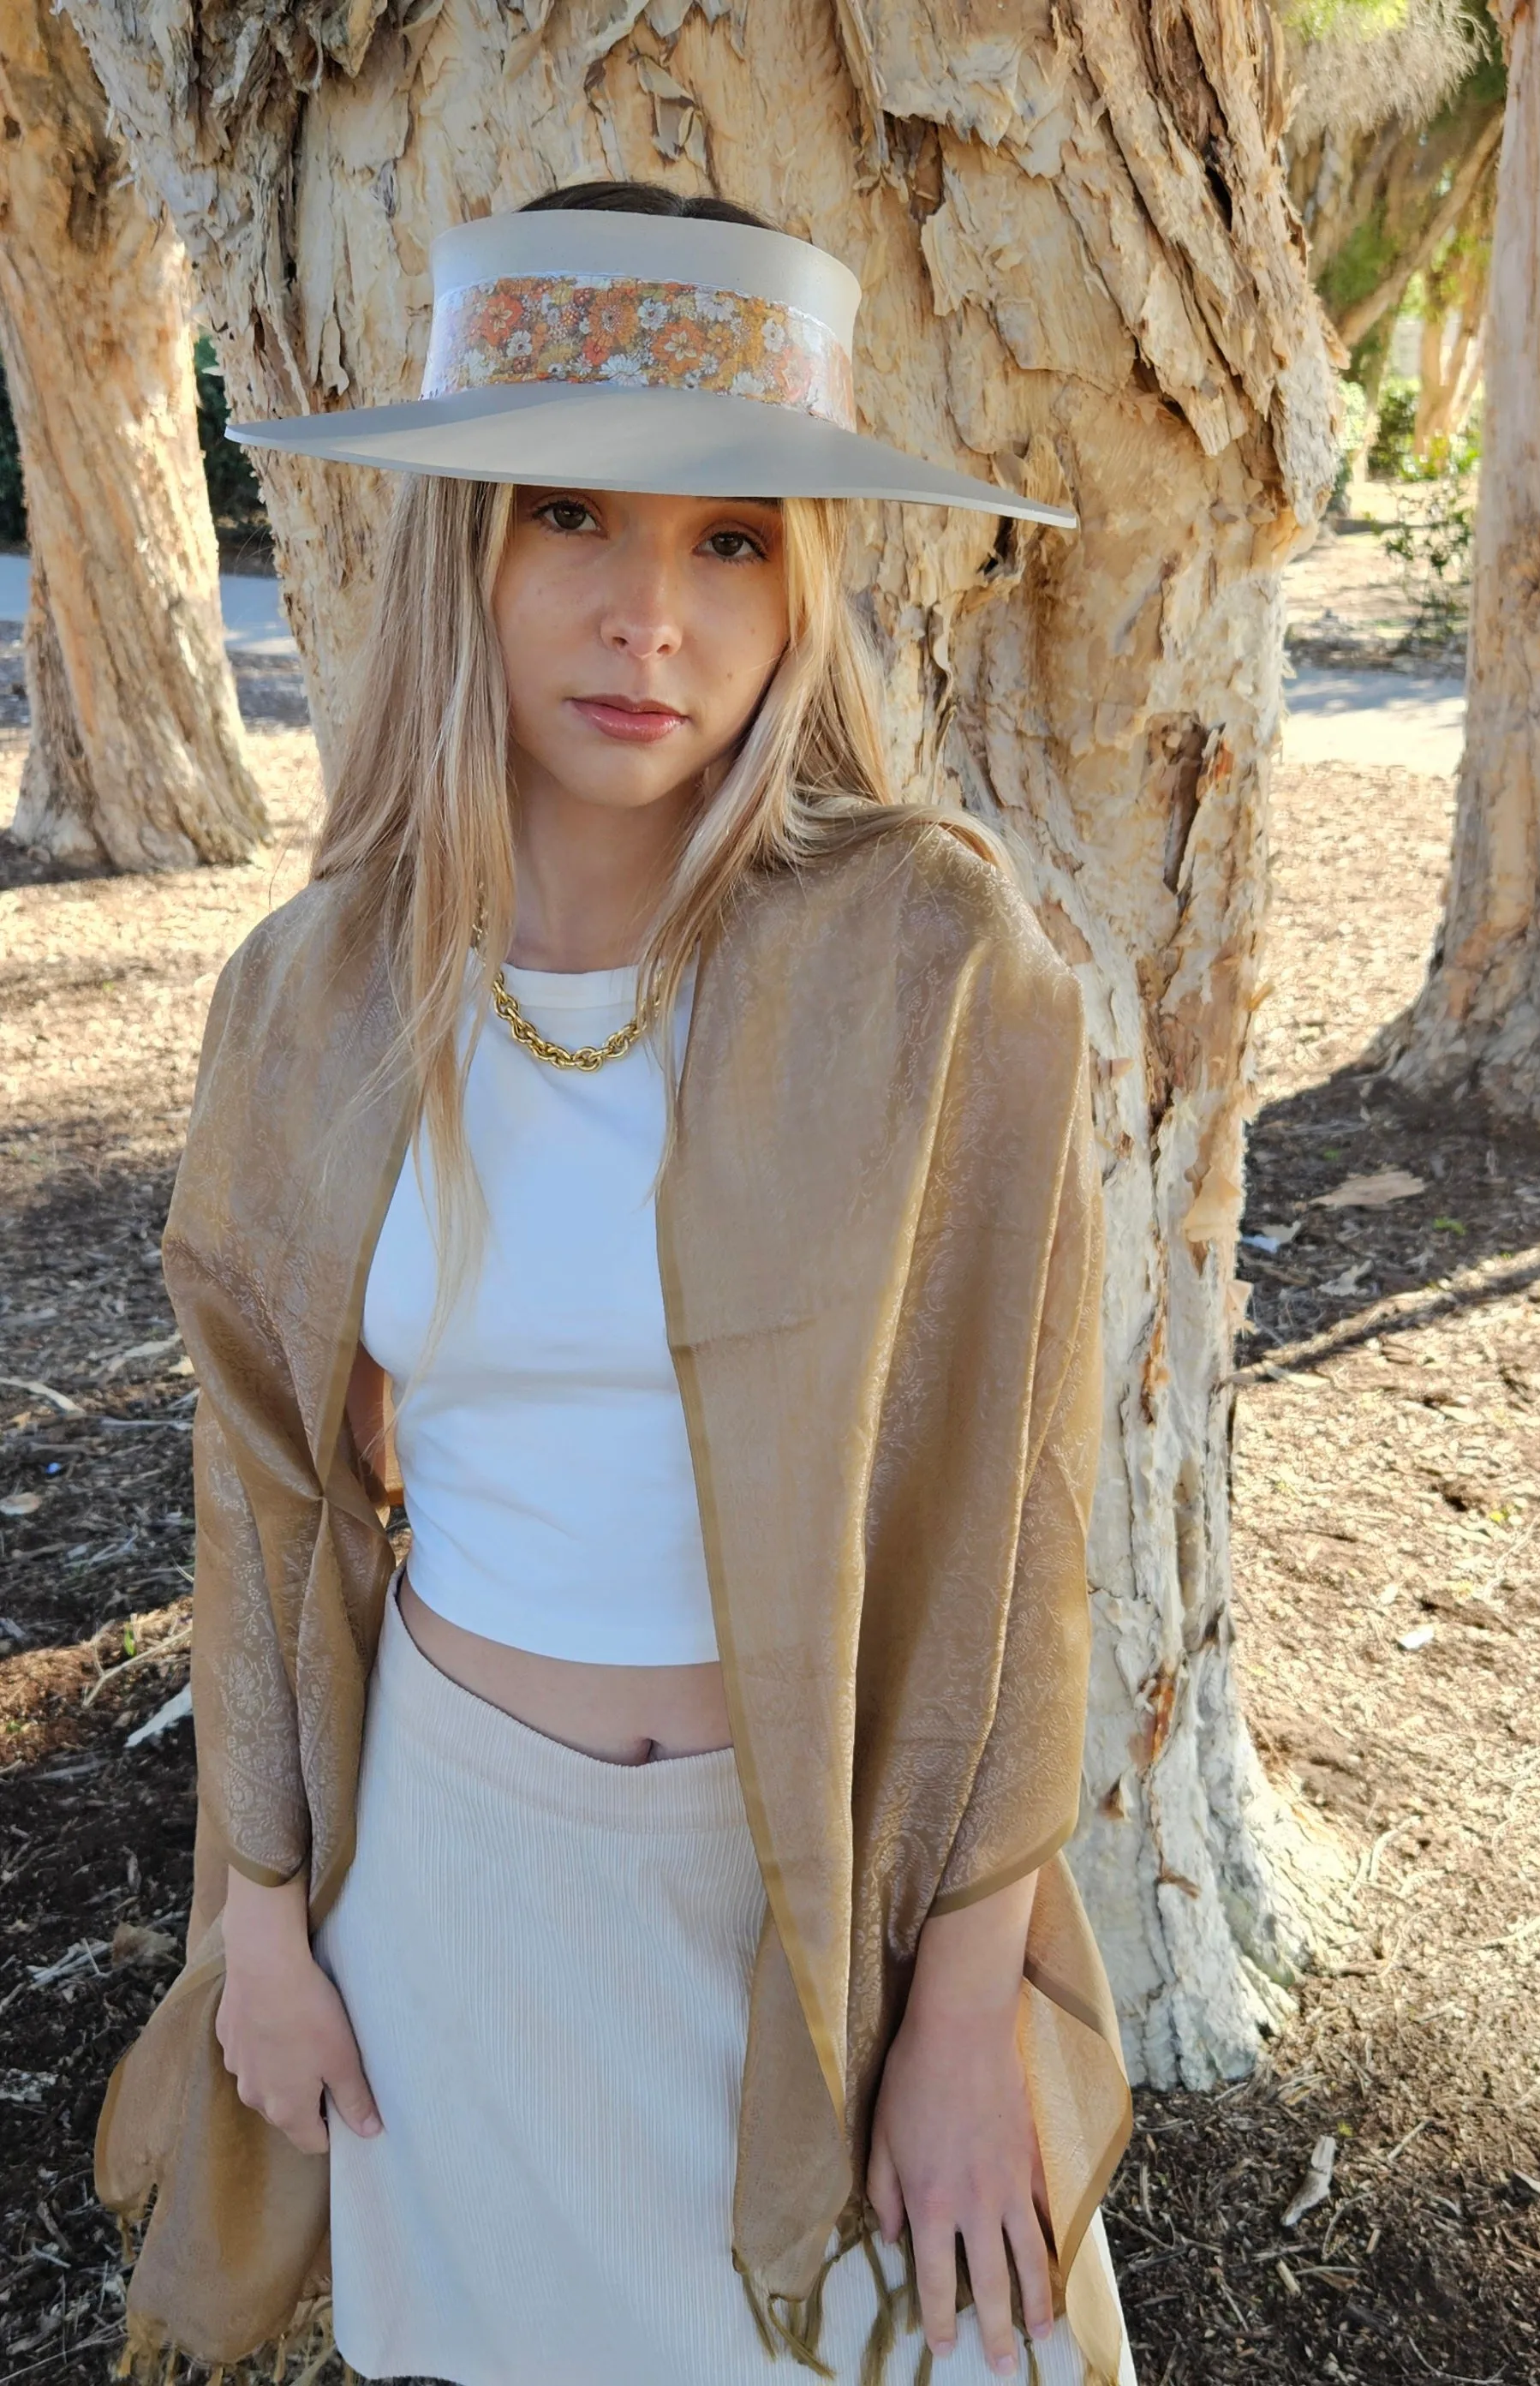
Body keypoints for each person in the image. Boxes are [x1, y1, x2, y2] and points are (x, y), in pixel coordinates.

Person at [93, 179, 1136, 2386]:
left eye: (729, 536)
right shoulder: (317, 997)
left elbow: (1020, 1528)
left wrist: (964, 2013)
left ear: (801, 589)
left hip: (814, 1897)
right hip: (461, 1894)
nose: (647, 614)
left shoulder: (938, 967)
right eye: (575, 514)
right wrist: (263, 1919)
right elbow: (266, 1492)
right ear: (462, 545)